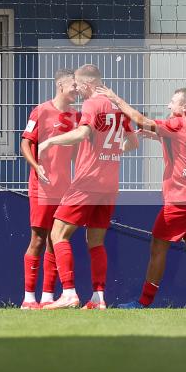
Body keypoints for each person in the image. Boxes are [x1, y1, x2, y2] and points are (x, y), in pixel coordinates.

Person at [95, 86, 186, 310]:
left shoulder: (178, 123)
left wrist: (115, 98)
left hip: (180, 199)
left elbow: (141, 120)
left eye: (172, 102)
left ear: (184, 107)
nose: (168, 106)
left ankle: (143, 303)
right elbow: (179, 144)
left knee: (158, 248)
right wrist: (154, 135)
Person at [38, 64, 139, 310]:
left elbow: (83, 134)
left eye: (79, 85)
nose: (78, 90)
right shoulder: (116, 104)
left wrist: (50, 141)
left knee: (57, 234)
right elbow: (133, 142)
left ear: (86, 83)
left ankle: (69, 293)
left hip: (87, 181)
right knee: (96, 241)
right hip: (110, 184)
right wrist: (111, 153)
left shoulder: (93, 104)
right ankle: (98, 298)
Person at [18, 69, 79, 309]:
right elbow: (25, 143)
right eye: (73, 85)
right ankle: (28, 297)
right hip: (41, 187)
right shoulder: (41, 111)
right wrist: (36, 167)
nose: (77, 89)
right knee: (38, 239)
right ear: (61, 86)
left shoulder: (76, 116)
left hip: (64, 189)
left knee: (57, 239)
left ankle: (47, 296)